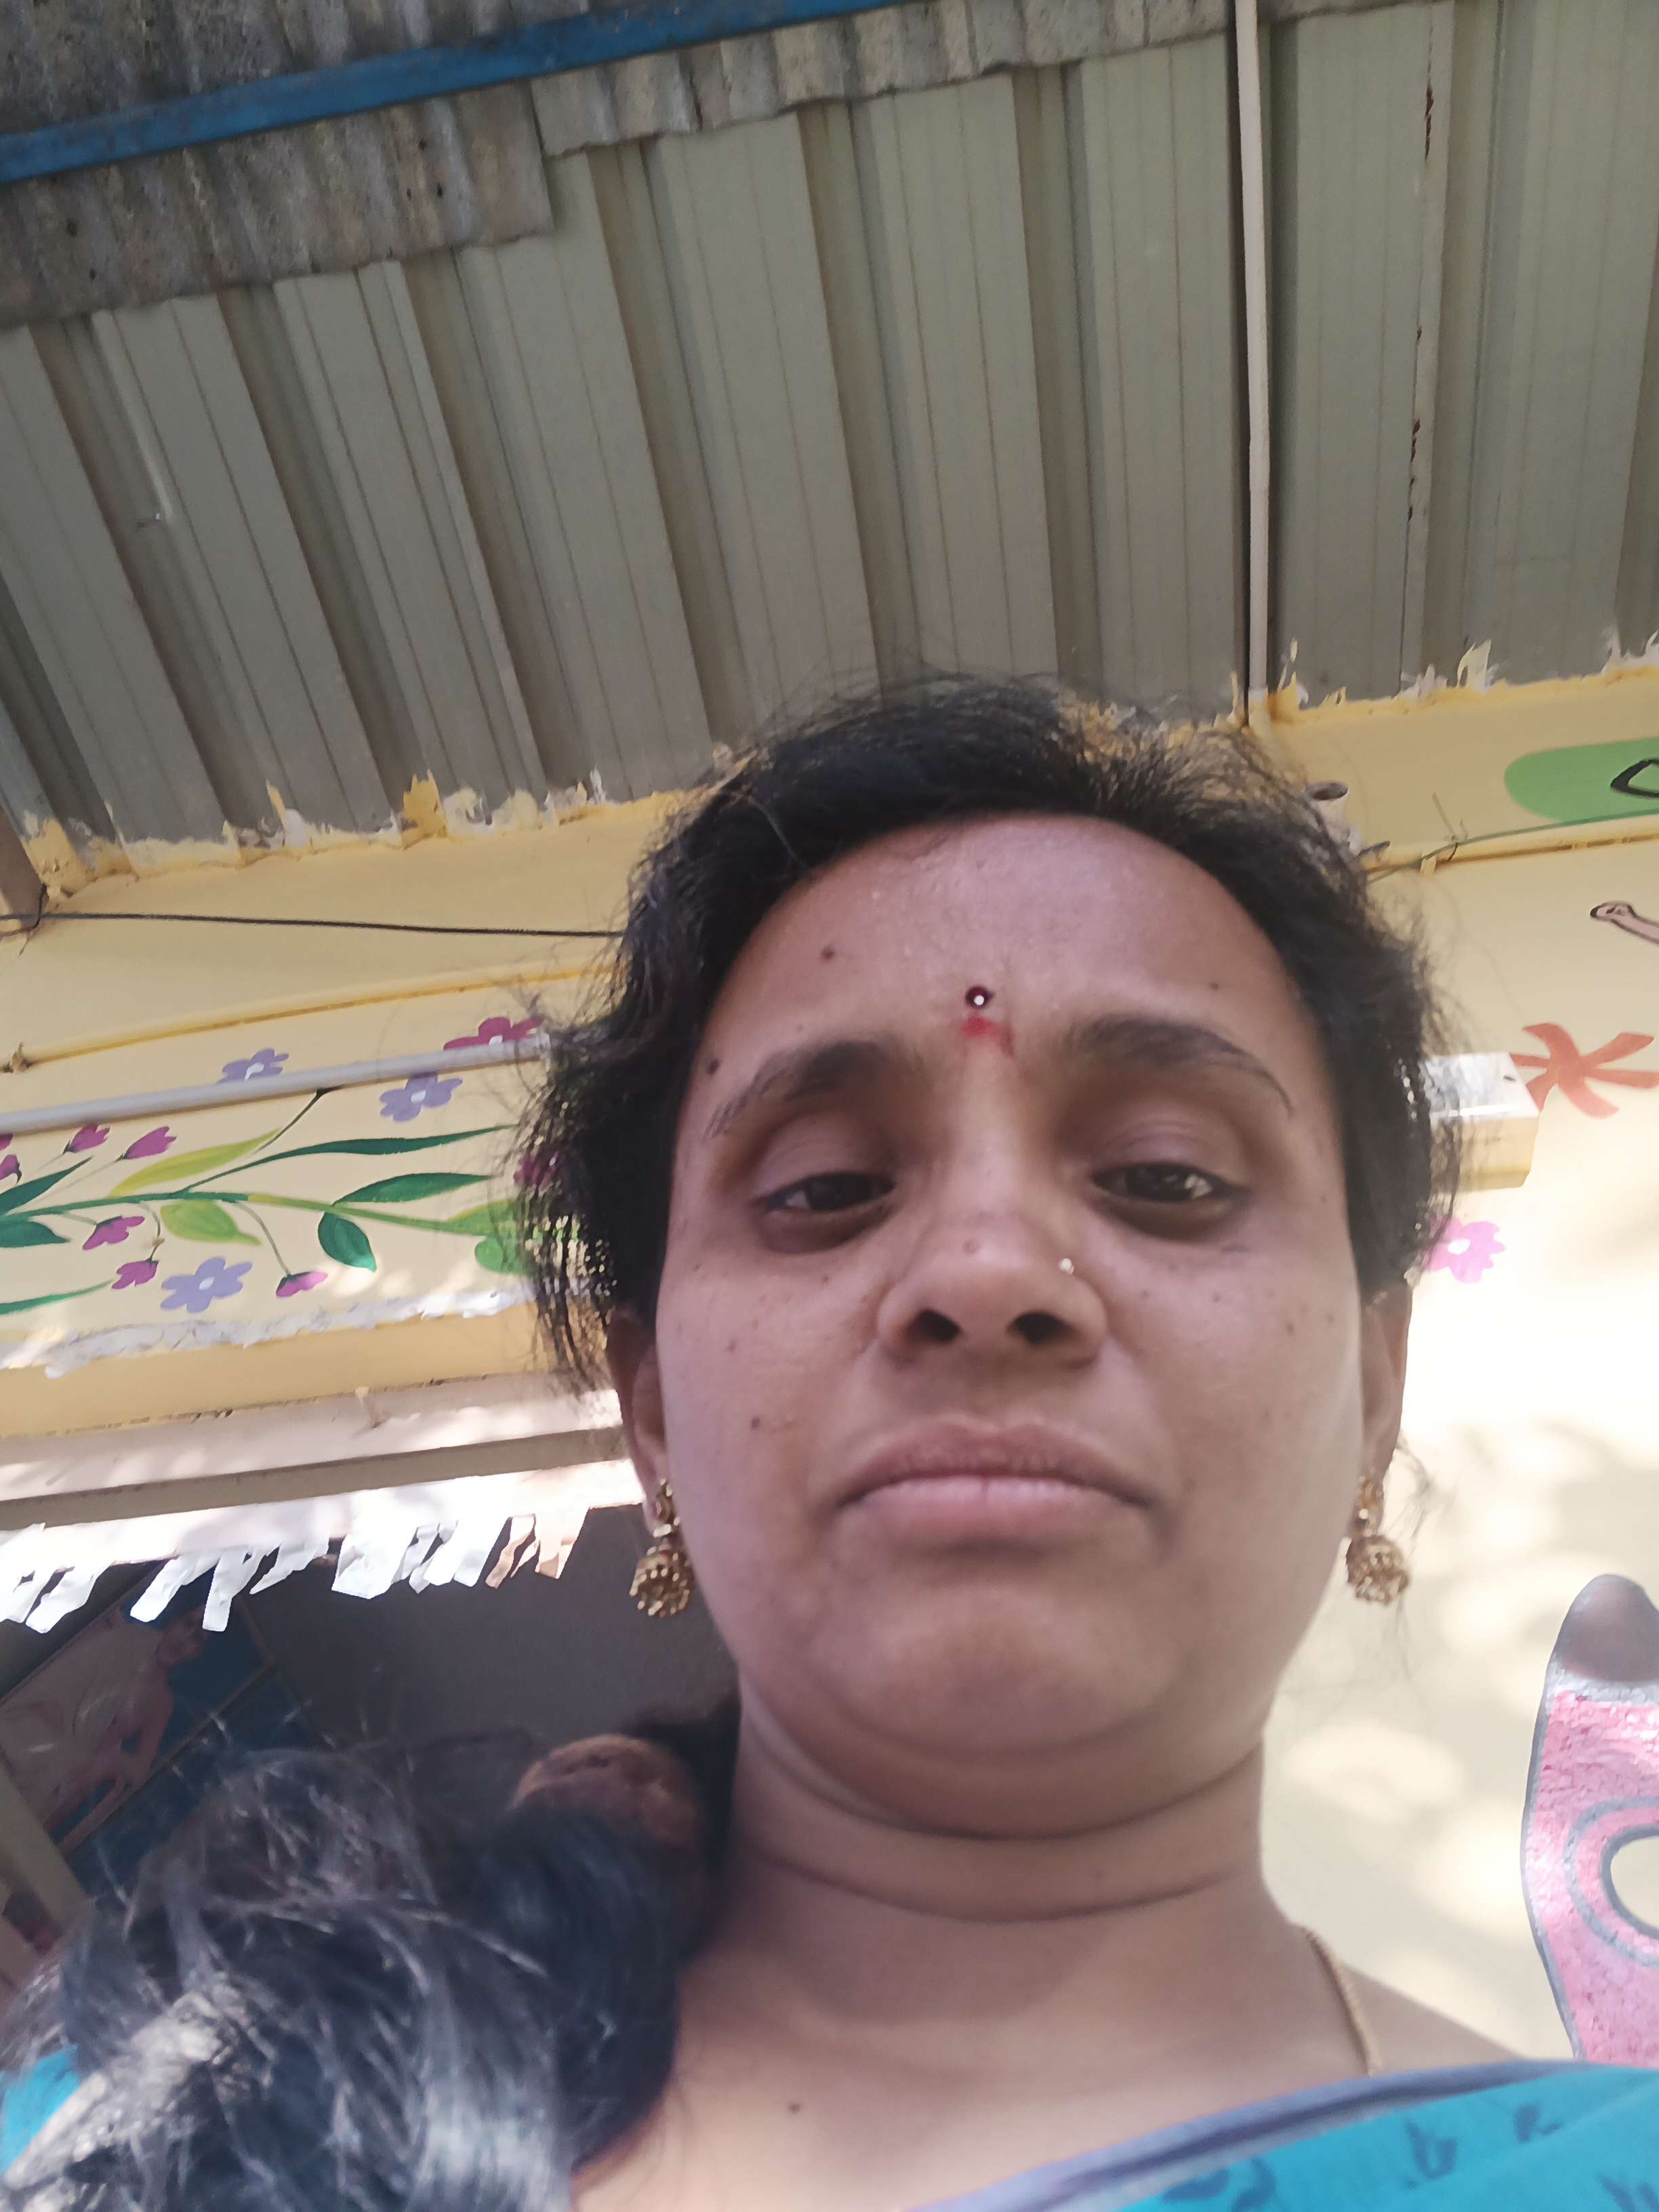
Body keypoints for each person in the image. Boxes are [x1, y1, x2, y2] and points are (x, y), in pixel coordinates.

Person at [4, 678, 1655, 2209]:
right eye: (823, 1189)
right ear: (655, 1412)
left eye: (1166, 1174)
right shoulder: (187, 2127)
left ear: (1375, 1382)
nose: (989, 1271)